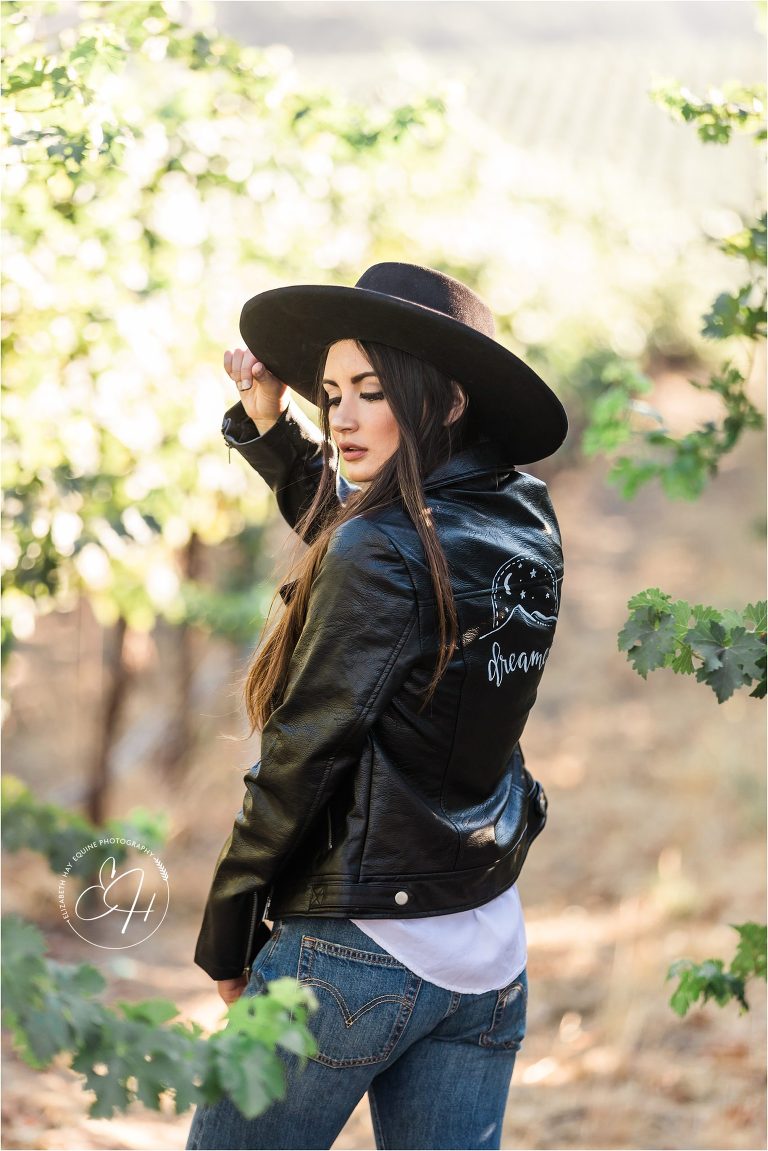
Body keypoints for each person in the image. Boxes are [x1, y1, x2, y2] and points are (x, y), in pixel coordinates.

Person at [186, 262, 567, 1151]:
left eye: (370, 391)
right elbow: (367, 530)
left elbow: (301, 755)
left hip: (351, 956)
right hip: (485, 954)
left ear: (444, 397)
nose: (344, 417)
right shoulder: (521, 517)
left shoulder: (383, 548)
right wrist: (267, 425)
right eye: (330, 396)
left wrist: (228, 932)